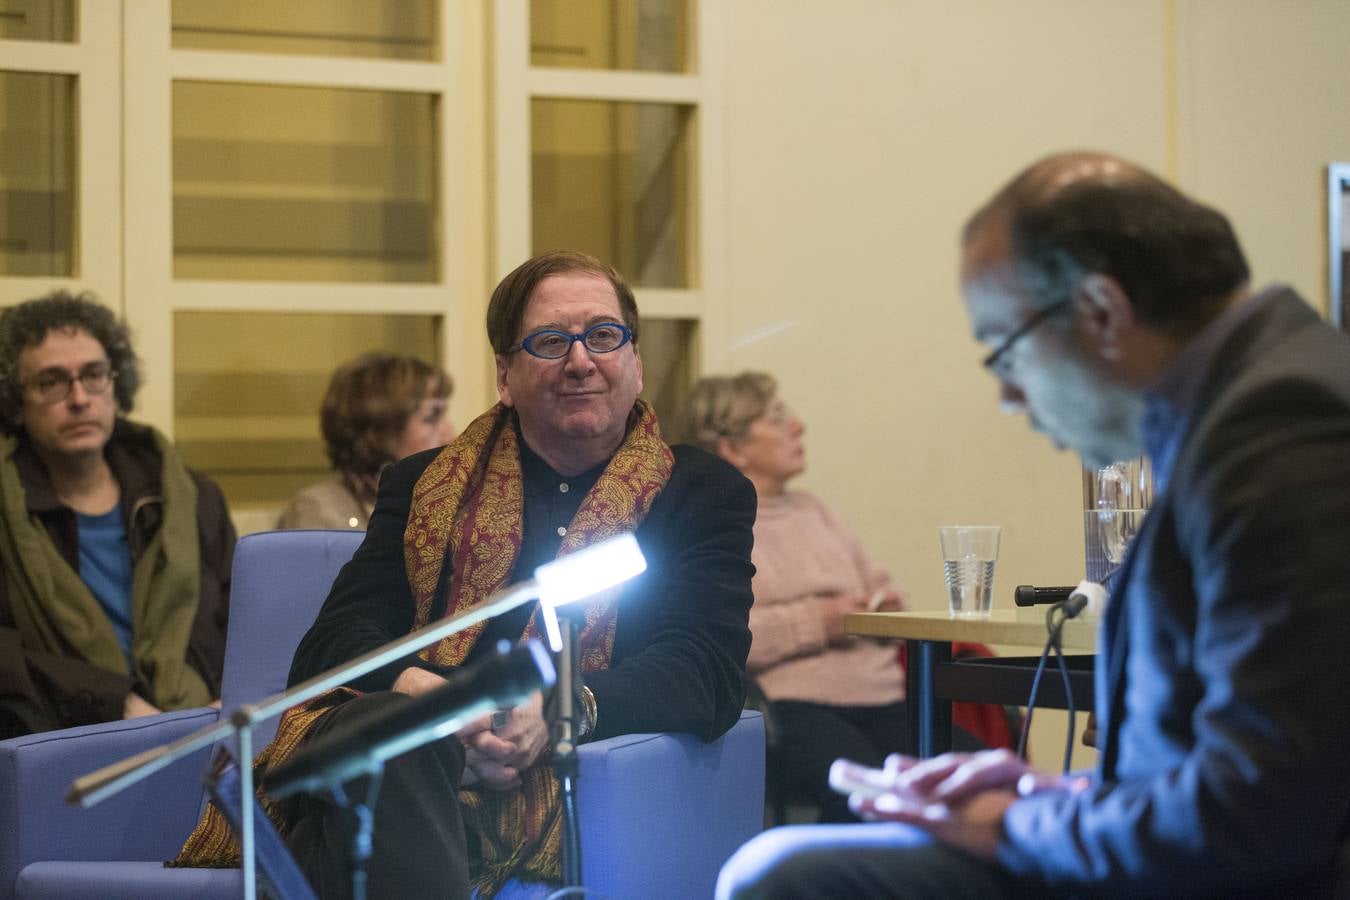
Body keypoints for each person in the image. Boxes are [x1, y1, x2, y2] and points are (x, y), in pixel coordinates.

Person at [718, 152, 1350, 898]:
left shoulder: (1285, 435)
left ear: (1103, 313)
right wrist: (1050, 794)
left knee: (786, 878)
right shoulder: (1254, 405)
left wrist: (1017, 825)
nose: (1010, 398)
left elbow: (1263, 815)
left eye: (1005, 350)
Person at [176, 251, 757, 897]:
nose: (581, 360)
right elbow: (332, 645)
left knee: (351, 807)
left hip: (557, 763)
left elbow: (704, 667)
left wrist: (555, 710)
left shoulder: (699, 491)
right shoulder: (422, 483)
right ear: (505, 375)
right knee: (387, 736)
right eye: (550, 341)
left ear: (635, 359)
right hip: (413, 734)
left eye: (602, 335)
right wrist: (436, 705)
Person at [677, 371, 917, 822]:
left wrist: (885, 608)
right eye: (777, 418)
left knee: (977, 778)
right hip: (797, 710)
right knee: (875, 801)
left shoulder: (815, 509)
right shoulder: (719, 526)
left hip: (885, 699)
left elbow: (883, 587)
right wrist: (823, 622)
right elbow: (724, 637)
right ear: (732, 447)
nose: (798, 426)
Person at [0, 291, 236, 739]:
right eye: (51, 382)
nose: (79, 398)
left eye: (93, 375)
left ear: (116, 383)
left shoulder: (191, 497)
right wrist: (116, 702)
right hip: (64, 752)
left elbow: (241, 619)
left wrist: (233, 696)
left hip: (209, 737)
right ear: (15, 401)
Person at [276, 353, 455, 530]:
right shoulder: (318, 511)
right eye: (432, 417)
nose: (451, 435)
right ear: (382, 429)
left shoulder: (437, 505)